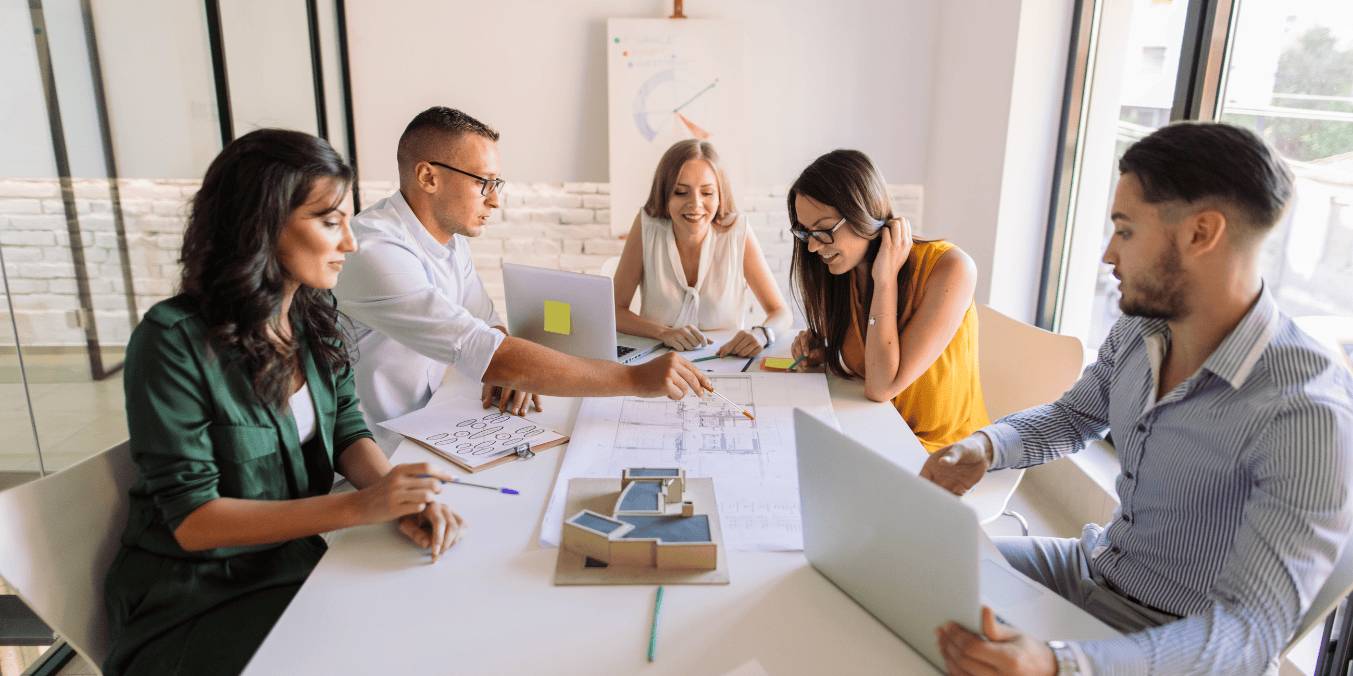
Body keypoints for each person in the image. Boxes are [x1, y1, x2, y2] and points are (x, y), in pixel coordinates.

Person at [924, 122, 1353, 676]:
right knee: (913, 569)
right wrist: (985, 447)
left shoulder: (1307, 413)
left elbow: (1250, 630)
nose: (1107, 254)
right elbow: (1074, 415)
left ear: (1202, 234)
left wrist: (1063, 666)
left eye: (1124, 231)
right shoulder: (1143, 328)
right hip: (1092, 567)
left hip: (1172, 634)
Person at [103, 129, 466, 676]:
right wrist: (359, 508)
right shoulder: (171, 342)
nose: (351, 241)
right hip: (194, 602)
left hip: (294, 565)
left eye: (347, 217)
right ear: (262, 226)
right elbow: (194, 521)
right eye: (328, 220)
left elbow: (347, 430)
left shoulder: (312, 320)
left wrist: (398, 497)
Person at [332, 107, 709, 451]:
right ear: (428, 177)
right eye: (484, 182)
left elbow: (488, 323)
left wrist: (507, 367)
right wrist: (635, 380)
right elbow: (483, 346)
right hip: (376, 453)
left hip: (434, 426)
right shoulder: (374, 252)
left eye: (498, 184)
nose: (495, 200)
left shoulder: (449, 240)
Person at [786, 149, 989, 452]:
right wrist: (820, 348)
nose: (813, 246)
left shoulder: (952, 269)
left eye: (824, 230)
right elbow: (862, 361)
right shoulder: (844, 271)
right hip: (876, 433)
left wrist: (885, 281)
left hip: (943, 454)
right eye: (805, 232)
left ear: (862, 212)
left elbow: (882, 387)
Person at [613, 139, 791, 356]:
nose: (695, 204)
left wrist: (762, 334)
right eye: (680, 192)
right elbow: (614, 311)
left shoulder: (737, 233)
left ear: (719, 196)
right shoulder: (647, 226)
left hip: (724, 361)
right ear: (664, 193)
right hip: (658, 363)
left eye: (706, 193)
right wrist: (663, 333)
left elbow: (781, 312)